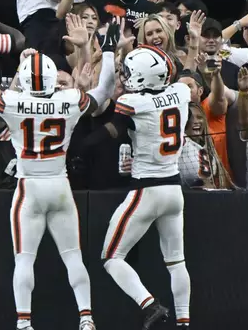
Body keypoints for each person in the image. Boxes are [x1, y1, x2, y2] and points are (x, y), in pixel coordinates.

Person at [0, 18, 121, 330]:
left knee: (24, 258)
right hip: (60, 185)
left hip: (29, 187)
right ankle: (86, 319)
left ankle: (24, 322)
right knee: (74, 257)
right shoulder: (70, 100)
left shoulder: (14, 101)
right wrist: (109, 52)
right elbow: (104, 92)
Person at [81, 45, 192, 329]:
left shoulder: (133, 103)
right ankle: (184, 322)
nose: (125, 76)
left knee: (111, 257)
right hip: (174, 189)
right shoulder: (181, 93)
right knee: (176, 262)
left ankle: (149, 304)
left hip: (147, 190)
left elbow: (112, 132)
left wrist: (78, 147)